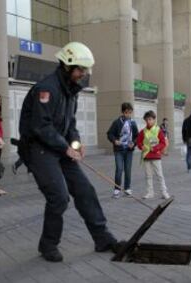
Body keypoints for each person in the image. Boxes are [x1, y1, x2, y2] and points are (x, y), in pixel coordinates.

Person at [18, 42, 120, 262]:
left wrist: (75, 143)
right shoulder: (47, 89)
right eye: (81, 70)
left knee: (85, 190)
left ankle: (102, 238)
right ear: (67, 66)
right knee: (59, 197)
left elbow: (70, 123)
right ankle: (48, 245)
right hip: (39, 149)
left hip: (60, 148)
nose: (83, 74)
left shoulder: (71, 91)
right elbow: (41, 127)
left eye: (85, 70)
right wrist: (65, 147)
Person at [107, 103, 138, 198]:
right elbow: (109, 134)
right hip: (119, 150)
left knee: (128, 170)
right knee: (119, 169)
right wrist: (114, 141)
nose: (128, 114)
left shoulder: (133, 123)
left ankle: (127, 188)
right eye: (126, 112)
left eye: (130, 112)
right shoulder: (117, 122)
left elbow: (137, 136)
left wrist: (134, 143)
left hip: (129, 150)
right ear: (122, 112)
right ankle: (117, 189)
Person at [136, 110, 170, 200]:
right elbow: (138, 141)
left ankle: (164, 192)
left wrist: (155, 148)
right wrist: (141, 146)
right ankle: (150, 192)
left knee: (160, 175)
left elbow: (163, 143)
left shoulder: (158, 130)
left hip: (156, 156)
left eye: (150, 119)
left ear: (154, 120)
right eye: (147, 120)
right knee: (148, 175)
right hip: (146, 156)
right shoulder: (142, 131)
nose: (148, 121)